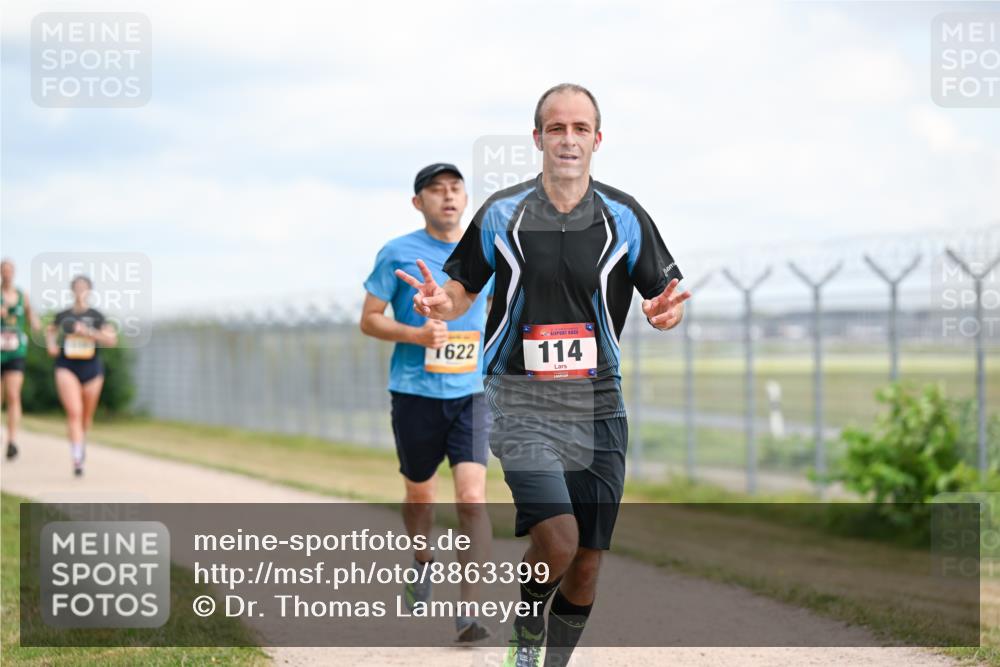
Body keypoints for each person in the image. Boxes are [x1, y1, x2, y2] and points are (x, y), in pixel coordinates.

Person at [395, 84, 691, 666]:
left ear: (598, 140)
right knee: (557, 539)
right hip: (519, 400)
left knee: (587, 563)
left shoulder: (625, 217)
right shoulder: (503, 212)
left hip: (599, 405)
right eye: (557, 128)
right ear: (538, 139)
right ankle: (527, 628)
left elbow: (663, 295)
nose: (569, 139)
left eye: (581, 128)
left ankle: (550, 661)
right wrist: (441, 303)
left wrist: (666, 313)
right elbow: (462, 290)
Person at [361, 163, 495, 643]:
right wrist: (416, 334)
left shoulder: (484, 253)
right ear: (419, 202)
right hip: (415, 393)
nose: (448, 196)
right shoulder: (397, 252)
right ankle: (421, 561)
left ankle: (470, 610)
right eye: (436, 190)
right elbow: (370, 320)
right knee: (421, 496)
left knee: (473, 499)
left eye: (456, 188)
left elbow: (500, 313)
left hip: (471, 393)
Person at [45, 275, 118, 476]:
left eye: (83, 287)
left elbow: (111, 339)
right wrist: (51, 345)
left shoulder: (97, 316)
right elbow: (49, 331)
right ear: (72, 290)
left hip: (92, 369)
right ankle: (77, 460)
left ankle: (80, 442)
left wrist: (88, 332)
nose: (80, 291)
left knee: (86, 417)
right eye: (77, 287)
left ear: (89, 291)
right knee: (74, 413)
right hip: (66, 366)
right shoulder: (63, 315)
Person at [1, 259, 42, 460]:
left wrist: (35, 323)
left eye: (10, 271)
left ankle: (12, 441)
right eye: (4, 271)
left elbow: (32, 315)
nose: (7, 274)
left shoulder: (21, 295)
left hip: (16, 350)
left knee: (14, 395)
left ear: (14, 273)